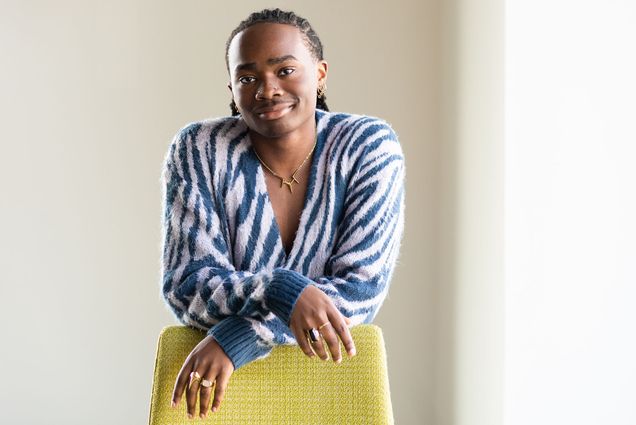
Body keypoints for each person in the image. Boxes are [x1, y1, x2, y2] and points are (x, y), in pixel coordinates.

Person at [160, 8, 405, 420]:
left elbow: (359, 292)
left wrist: (240, 334)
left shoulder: (367, 148)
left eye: (285, 70)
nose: (267, 90)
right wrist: (280, 287)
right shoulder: (199, 150)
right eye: (247, 77)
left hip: (331, 385)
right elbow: (188, 286)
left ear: (321, 73)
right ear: (232, 88)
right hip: (215, 397)